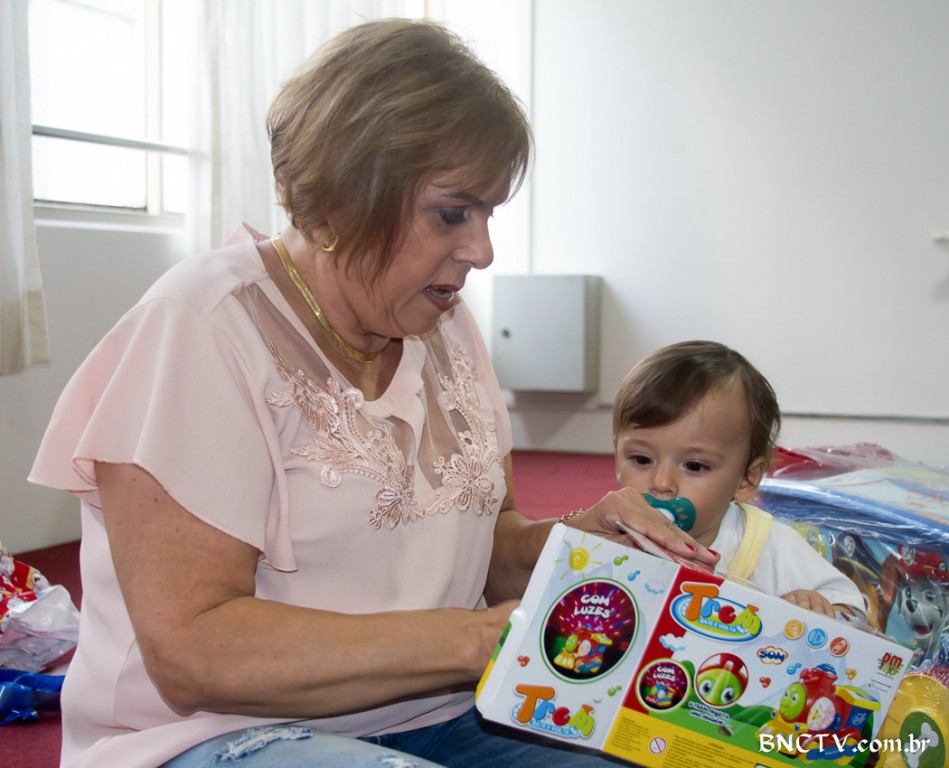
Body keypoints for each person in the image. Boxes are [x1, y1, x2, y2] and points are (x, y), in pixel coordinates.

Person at [29, 19, 716, 768]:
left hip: (441, 709)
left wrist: (580, 541)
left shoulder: (445, 324)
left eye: (488, 214)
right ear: (343, 197)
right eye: (452, 213)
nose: (482, 250)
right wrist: (473, 640)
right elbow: (194, 652)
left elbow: (485, 549)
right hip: (212, 732)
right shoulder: (203, 326)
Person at [612, 340, 866, 619]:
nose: (661, 483)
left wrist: (817, 607)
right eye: (641, 460)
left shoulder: (766, 543)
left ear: (746, 479)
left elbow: (852, 610)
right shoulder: (608, 532)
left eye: (694, 466)